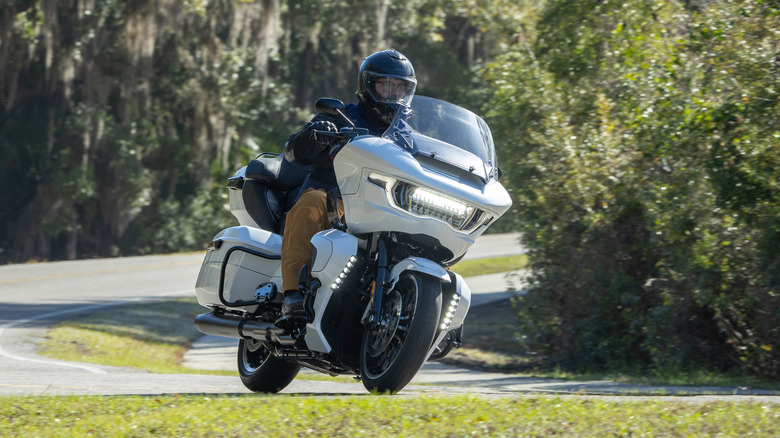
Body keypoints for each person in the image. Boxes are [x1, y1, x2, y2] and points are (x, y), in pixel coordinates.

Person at [280, 49, 417, 318]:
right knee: (311, 204)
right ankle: (292, 294)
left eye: (400, 88)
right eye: (385, 85)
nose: (393, 94)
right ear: (368, 85)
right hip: (336, 202)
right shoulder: (340, 116)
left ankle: (419, 307)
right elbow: (293, 152)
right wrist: (313, 135)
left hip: (384, 211)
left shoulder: (409, 137)